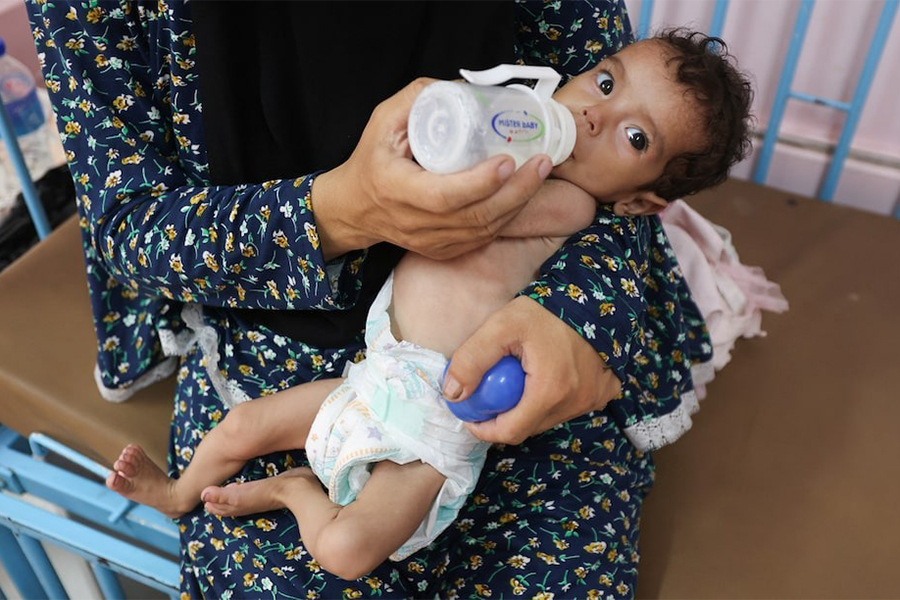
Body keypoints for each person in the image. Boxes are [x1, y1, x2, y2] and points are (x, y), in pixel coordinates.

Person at [27, 0, 730, 595]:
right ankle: (182, 493)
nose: (597, 116)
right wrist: (341, 209)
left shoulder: (576, 207)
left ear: (642, 199)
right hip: (341, 353)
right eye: (602, 84)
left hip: (440, 402)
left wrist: (566, 312)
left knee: (358, 551)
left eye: (635, 136)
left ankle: (296, 490)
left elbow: (570, 220)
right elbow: (129, 226)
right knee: (244, 434)